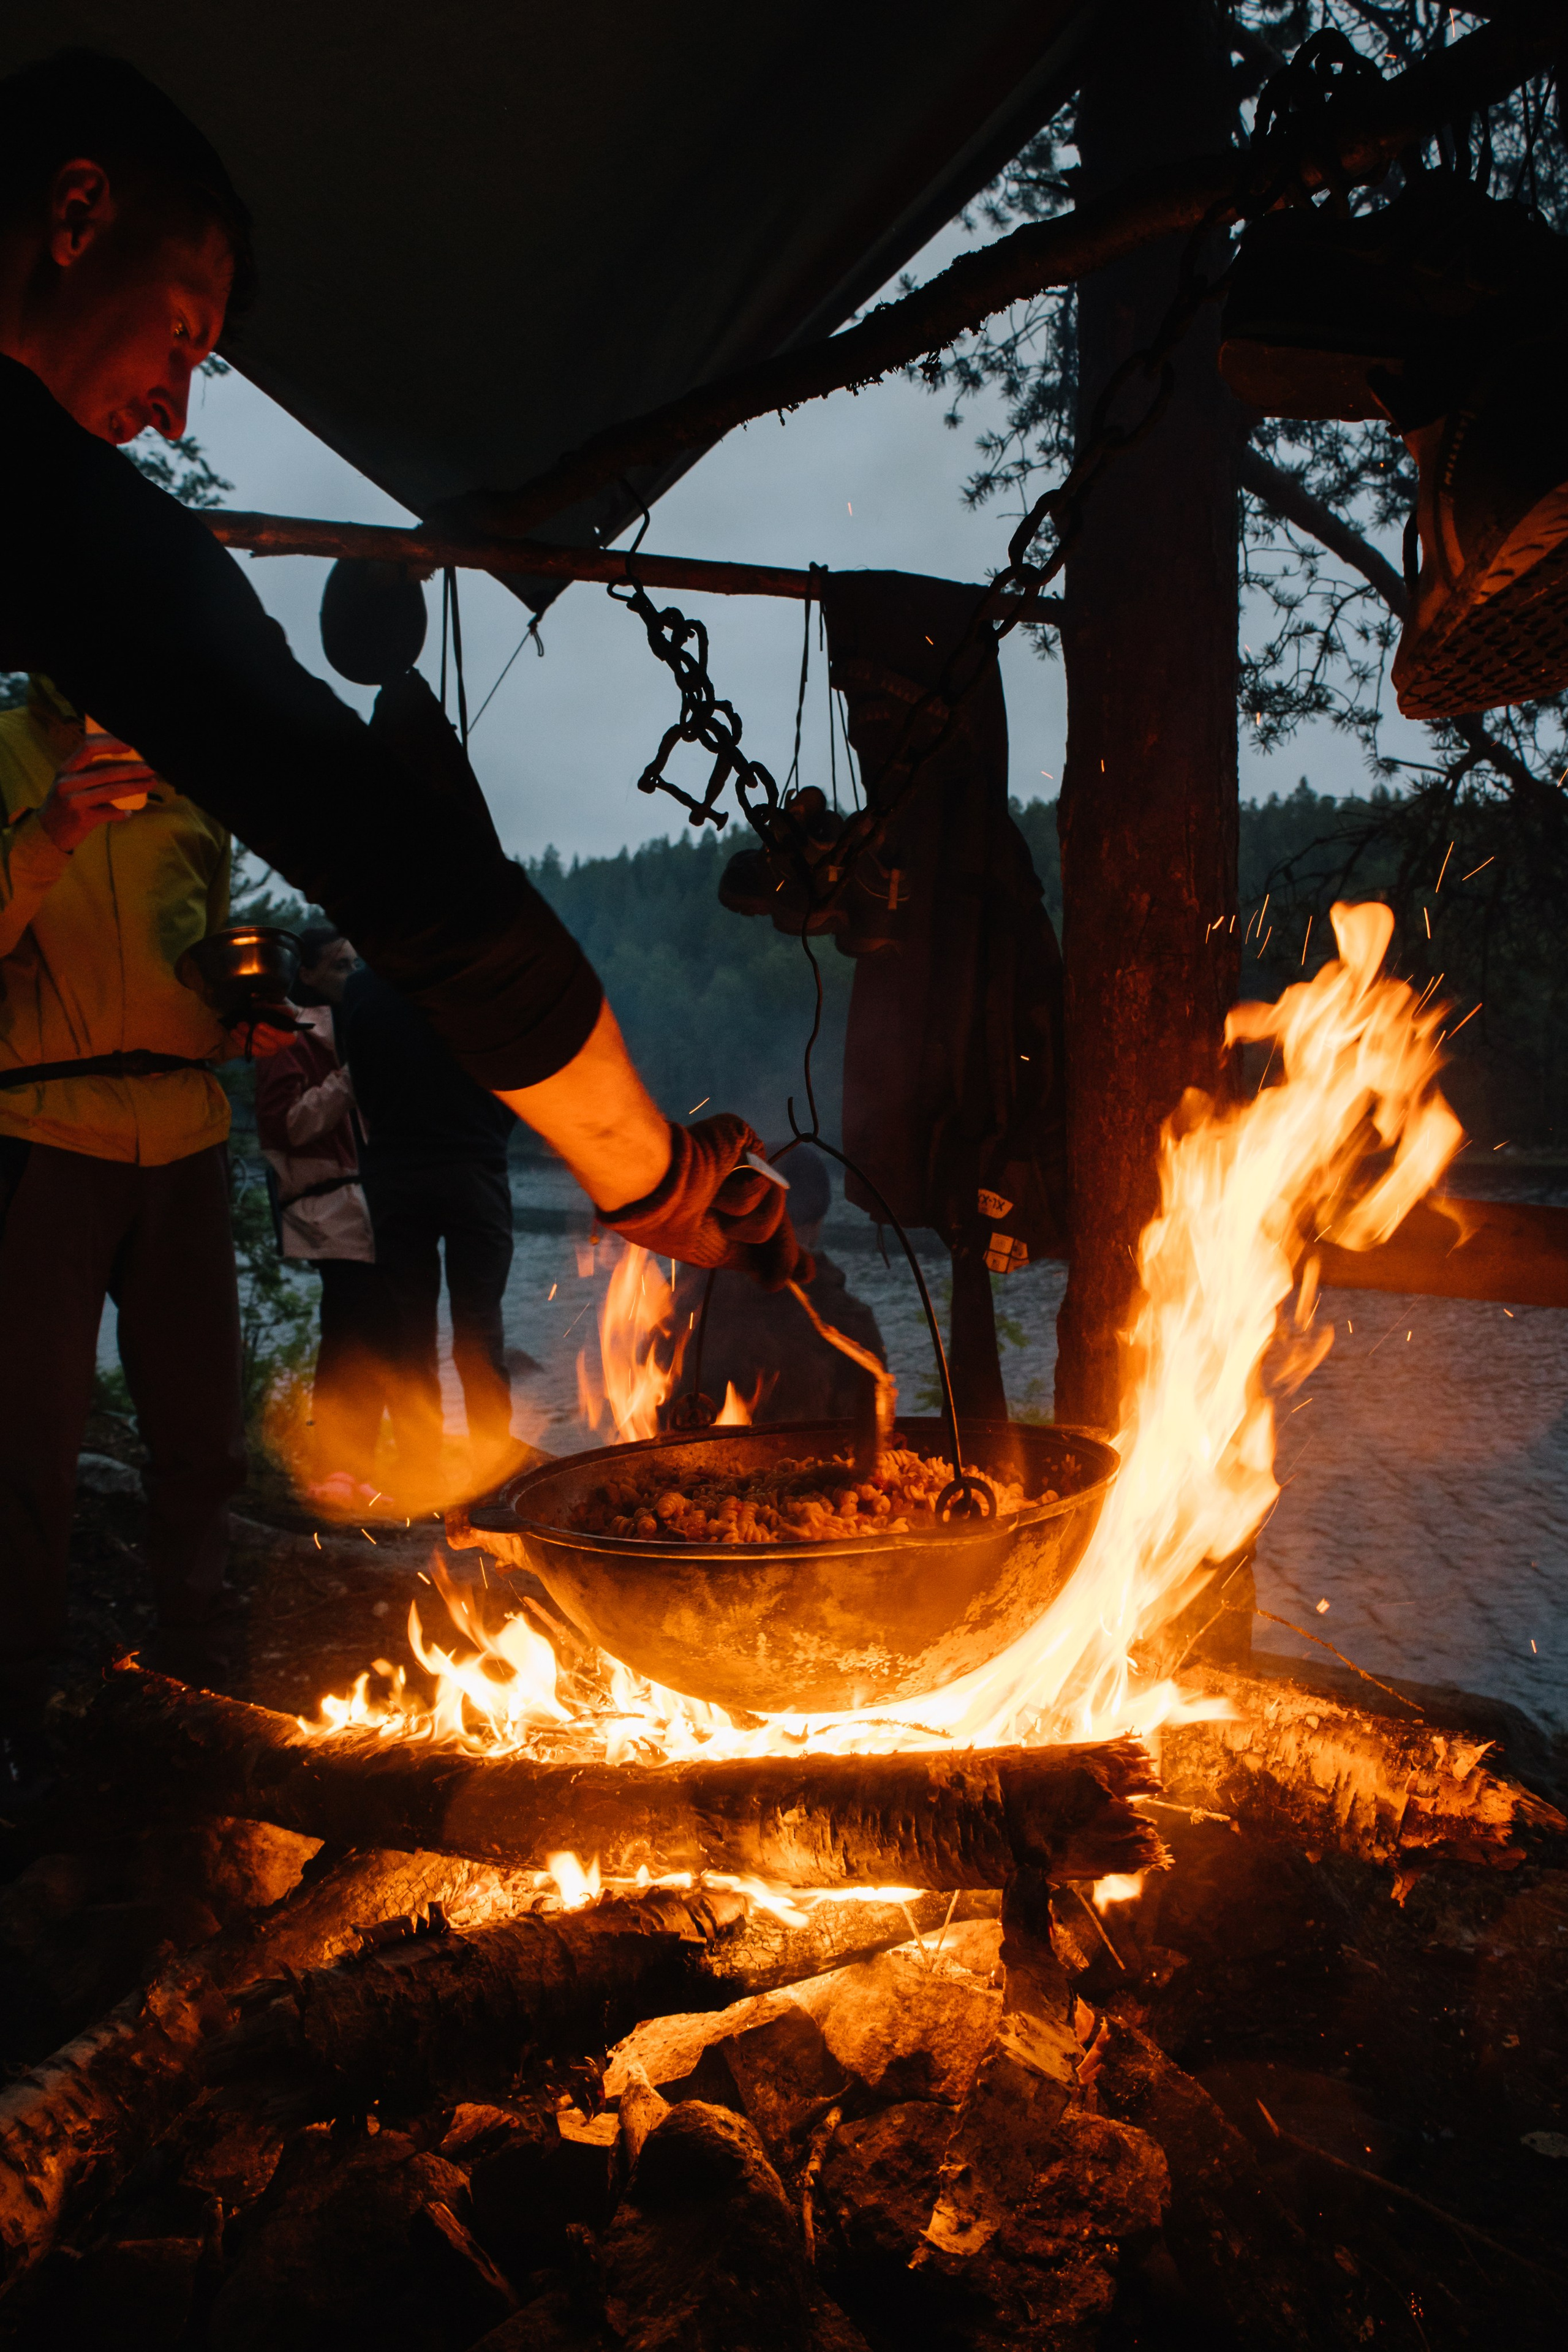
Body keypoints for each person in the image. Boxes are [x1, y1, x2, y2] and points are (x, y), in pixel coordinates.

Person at [0, 49, 804, 1322]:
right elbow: (417, 884)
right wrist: (653, 1183)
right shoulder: (58, 512)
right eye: (183, 334)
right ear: (77, 212)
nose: (173, 412)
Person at [0, 673, 291, 1790]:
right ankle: (18, 1701)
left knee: (204, 1434)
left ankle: (199, 1678)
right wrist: (53, 828)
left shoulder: (187, 782)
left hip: (182, 1135)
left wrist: (235, 1017)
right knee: (28, 1439)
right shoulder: (9, 754)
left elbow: (195, 953)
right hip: (39, 1129)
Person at [339, 958, 520, 1498]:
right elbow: (512, 1076)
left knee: (410, 1331)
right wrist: (486, 1134)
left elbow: (362, 1084)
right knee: (479, 1328)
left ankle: (422, 1473)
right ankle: (491, 1477)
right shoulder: (478, 978)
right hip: (474, 1170)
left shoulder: (363, 987)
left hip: (395, 1173)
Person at [254, 923, 391, 1506]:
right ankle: (335, 1468)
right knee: (349, 1333)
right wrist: (351, 1079)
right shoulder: (282, 1034)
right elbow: (288, 1125)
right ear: (305, 973)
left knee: (377, 1331)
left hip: (369, 1201)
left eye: (356, 965)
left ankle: (360, 1464)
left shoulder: (356, 1023)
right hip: (325, 1203)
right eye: (340, 966)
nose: (351, 976)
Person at [661, 1145, 887, 1430]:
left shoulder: (679, 1305)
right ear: (815, 1223)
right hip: (810, 1467)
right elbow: (869, 1423)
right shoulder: (842, 1320)